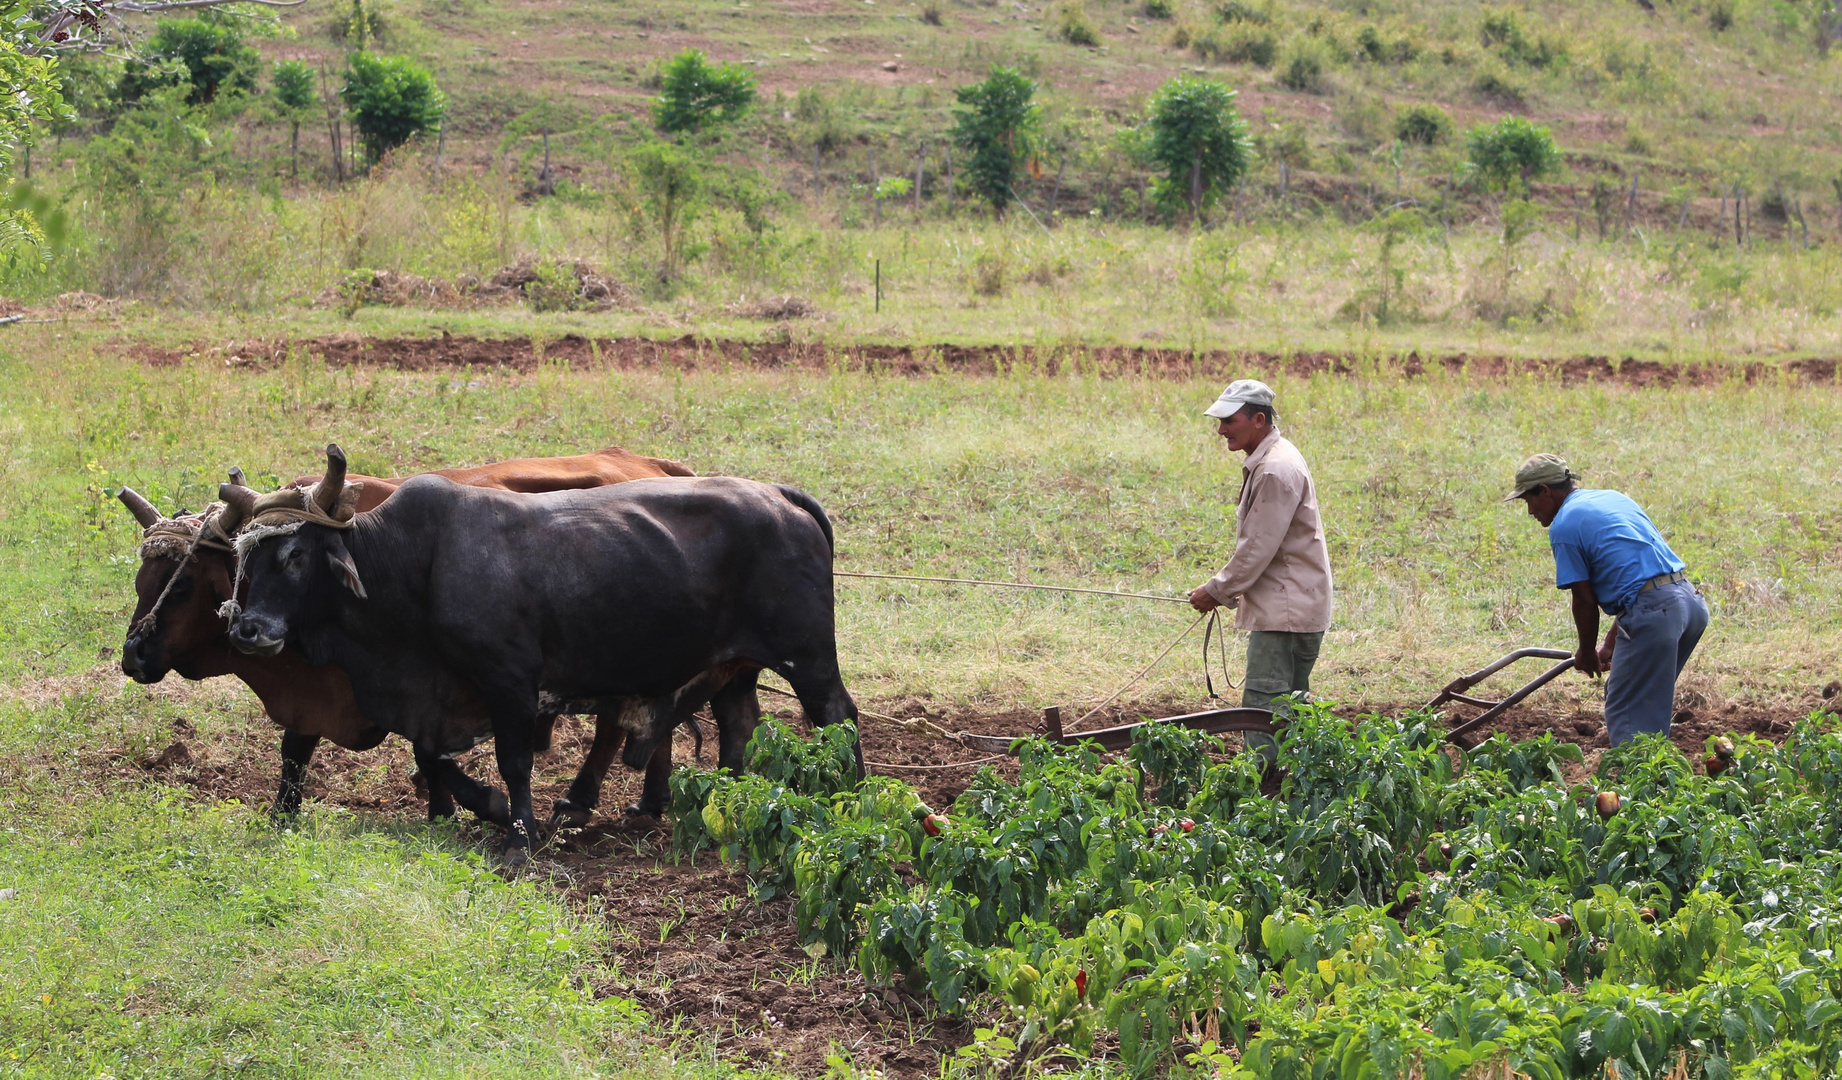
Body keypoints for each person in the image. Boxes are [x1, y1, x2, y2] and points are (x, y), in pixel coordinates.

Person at [1504, 453, 1709, 745]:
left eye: (1528, 501)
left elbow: (1585, 600)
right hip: (1688, 603)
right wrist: (1609, 645)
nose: (1530, 511)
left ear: (1545, 491)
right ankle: (1650, 778)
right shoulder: (1613, 499)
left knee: (1631, 715)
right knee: (1633, 698)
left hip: (1657, 613)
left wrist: (1586, 651)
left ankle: (1640, 786)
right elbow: (1643, 582)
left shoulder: (1564, 526)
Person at [1188, 379, 1333, 762]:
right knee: (1291, 710)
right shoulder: (1277, 458)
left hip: (1284, 616)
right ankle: (1291, 789)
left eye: (1228, 421)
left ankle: (1265, 795)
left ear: (1257, 419)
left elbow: (1256, 549)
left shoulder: (1274, 470)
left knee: (1263, 712)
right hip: (1296, 609)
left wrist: (1214, 591)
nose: (1220, 430)